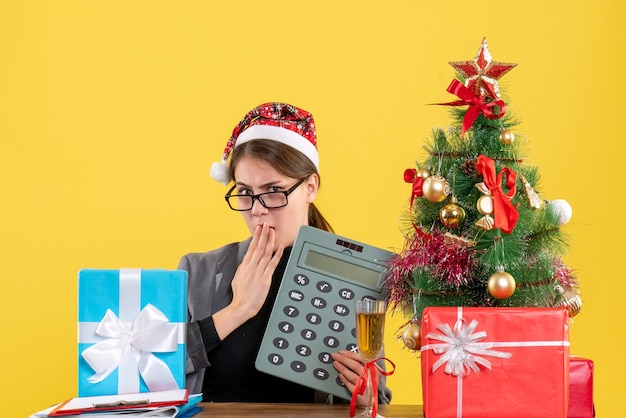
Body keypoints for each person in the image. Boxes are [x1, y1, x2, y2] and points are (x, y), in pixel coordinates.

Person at [179, 102, 391, 404]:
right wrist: (237, 310)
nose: (257, 209)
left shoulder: (355, 276)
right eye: (244, 192)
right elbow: (154, 373)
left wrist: (365, 398)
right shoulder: (199, 271)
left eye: (274, 190)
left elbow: (375, 398)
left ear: (310, 187)